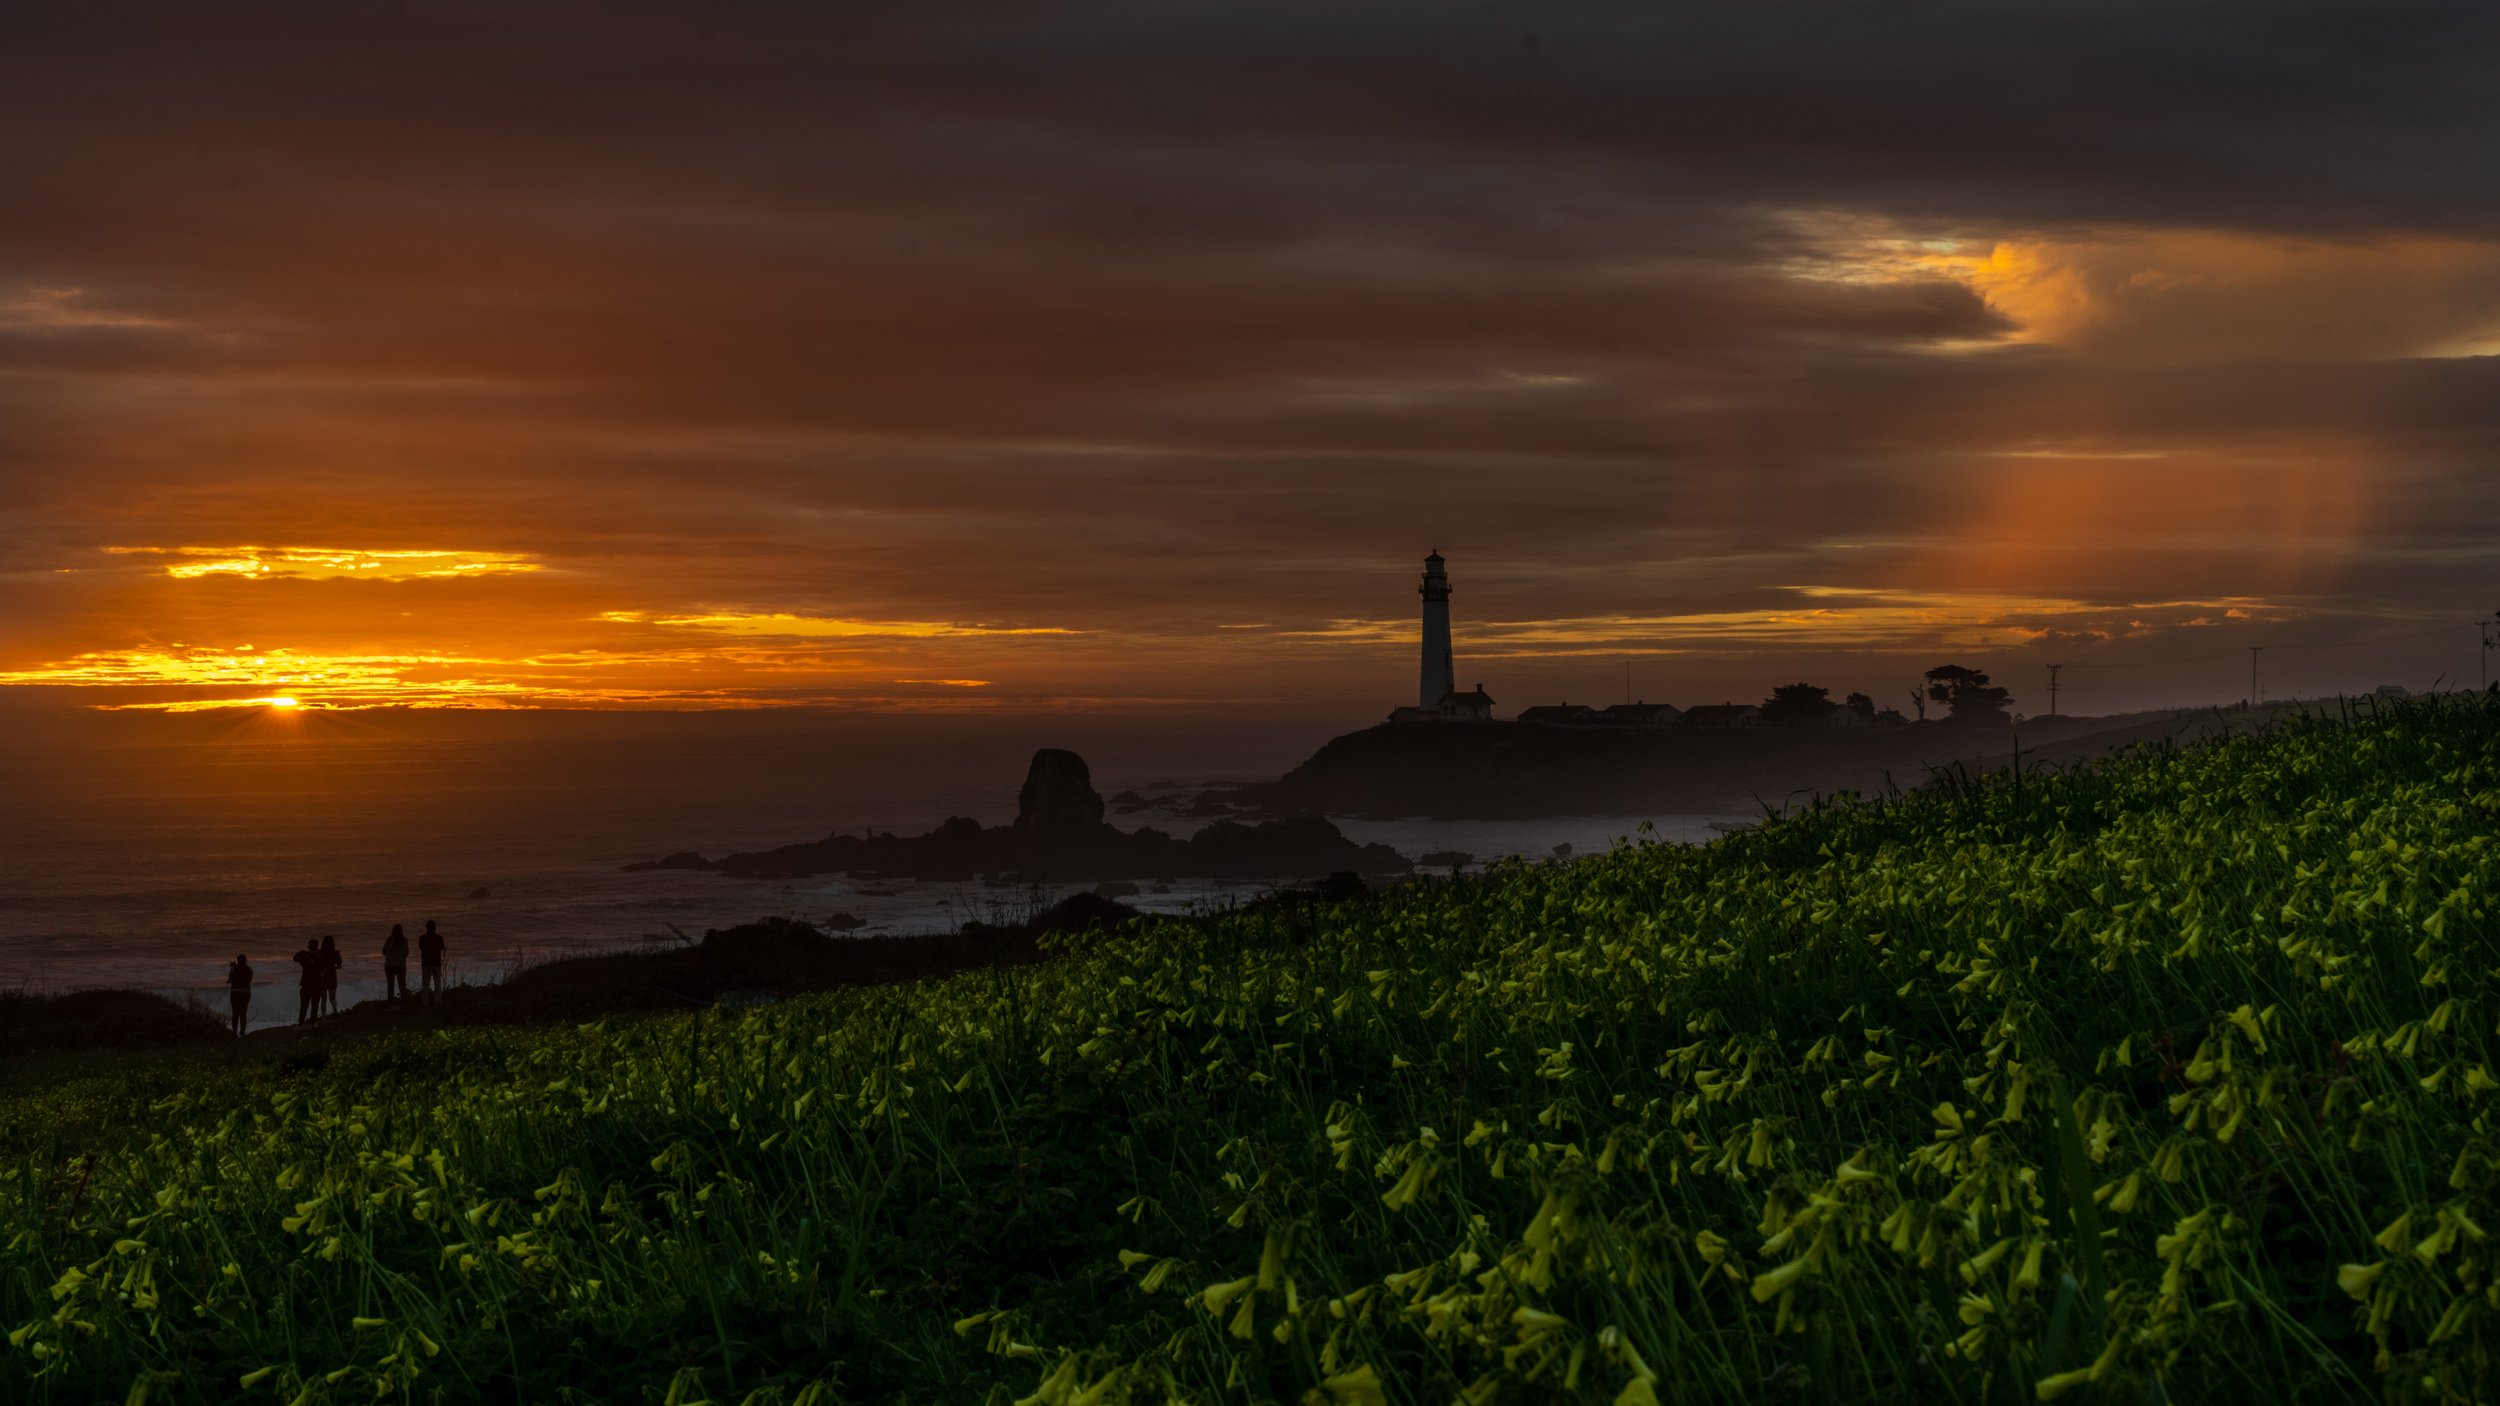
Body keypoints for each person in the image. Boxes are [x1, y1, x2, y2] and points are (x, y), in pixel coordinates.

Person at [291, 938, 323, 1024]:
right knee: (306, 1006)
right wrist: (308, 956)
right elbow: (295, 958)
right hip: (309, 985)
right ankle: (305, 1023)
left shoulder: (319, 956)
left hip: (314, 985)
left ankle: (309, 1023)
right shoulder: (305, 955)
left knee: (312, 1006)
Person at [417, 920, 446, 1003]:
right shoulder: (439, 938)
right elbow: (442, 947)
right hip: (436, 963)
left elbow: (421, 947)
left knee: (425, 983)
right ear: (435, 927)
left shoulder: (422, 938)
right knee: (437, 983)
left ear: (426, 927)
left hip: (426, 963)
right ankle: (437, 1000)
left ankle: (425, 1001)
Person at [226, 953, 253, 1037]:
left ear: (237, 961)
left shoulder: (234, 968)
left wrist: (233, 967)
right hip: (246, 993)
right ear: (246, 961)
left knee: (235, 1013)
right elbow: (250, 979)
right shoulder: (249, 969)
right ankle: (242, 1033)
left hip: (235, 993)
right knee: (243, 1013)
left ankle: (234, 1033)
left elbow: (230, 978)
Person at [381, 923, 410, 1000]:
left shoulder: (389, 939)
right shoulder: (404, 940)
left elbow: (383, 952)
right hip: (400, 966)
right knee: (402, 985)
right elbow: (407, 952)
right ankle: (404, 1003)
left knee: (390, 985)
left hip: (389, 966)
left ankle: (390, 1004)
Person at [318, 934, 342, 1017]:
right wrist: (334, 967)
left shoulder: (320, 953)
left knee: (323, 999)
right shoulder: (336, 953)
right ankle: (335, 1012)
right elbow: (339, 966)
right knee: (332, 998)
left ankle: (323, 1016)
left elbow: (318, 965)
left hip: (322, 977)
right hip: (332, 977)